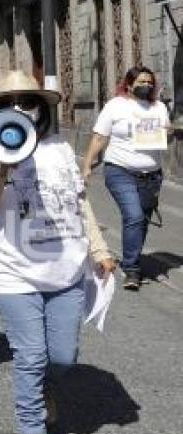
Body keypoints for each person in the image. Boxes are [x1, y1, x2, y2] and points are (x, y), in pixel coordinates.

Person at [0, 71, 116, 434]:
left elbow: (78, 204)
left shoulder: (62, 150)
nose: (19, 107)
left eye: (26, 99)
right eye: (7, 101)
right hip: (13, 273)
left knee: (63, 358)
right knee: (29, 355)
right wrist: (0, 172)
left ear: (42, 106)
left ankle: (47, 384)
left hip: (65, 270)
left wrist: (100, 249)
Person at [82, 66, 171, 291]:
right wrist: (87, 165)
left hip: (151, 176)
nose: (147, 86)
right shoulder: (115, 106)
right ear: (129, 85)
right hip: (120, 171)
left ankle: (132, 258)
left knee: (140, 222)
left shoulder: (159, 107)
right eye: (141, 82)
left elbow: (163, 142)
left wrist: (167, 134)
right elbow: (100, 137)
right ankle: (132, 269)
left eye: (150, 83)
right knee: (133, 216)